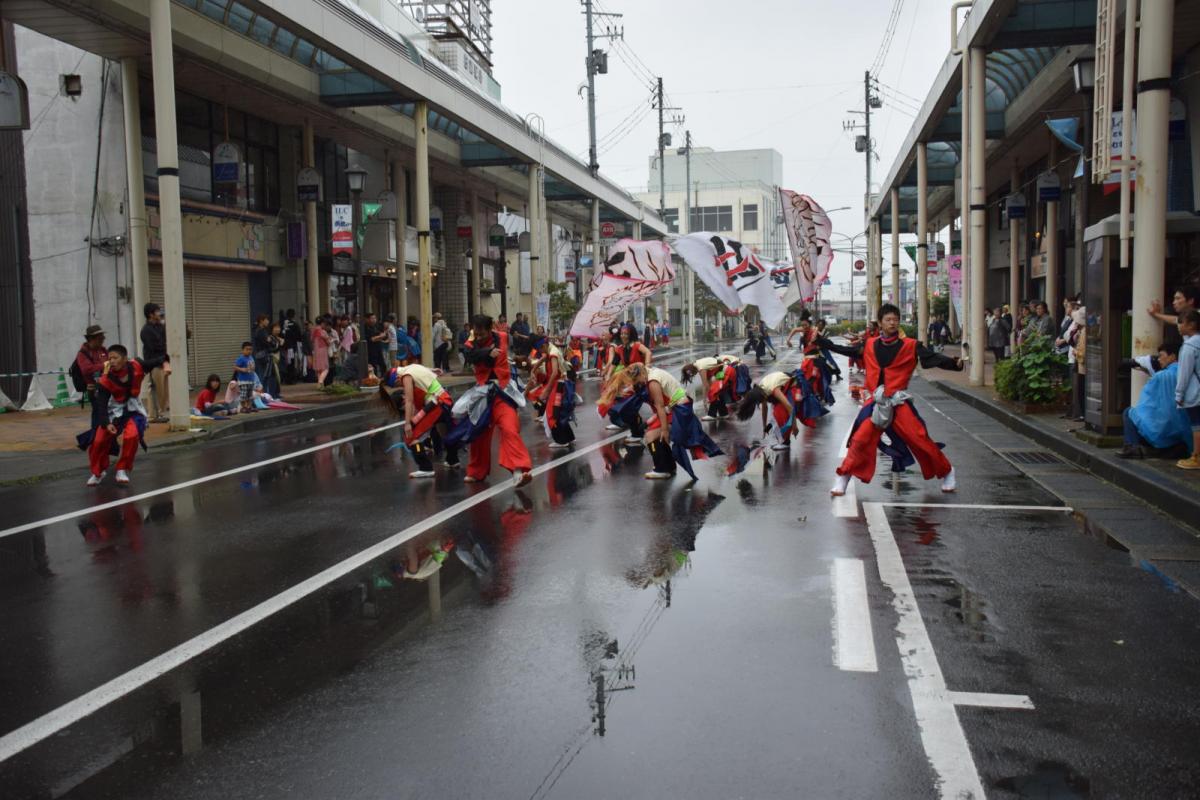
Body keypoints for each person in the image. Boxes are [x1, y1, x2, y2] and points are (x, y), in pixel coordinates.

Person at [819, 304, 964, 496]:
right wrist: (823, 342)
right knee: (860, 439)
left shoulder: (911, 346)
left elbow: (932, 359)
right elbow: (849, 351)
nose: (892, 323)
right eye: (888, 319)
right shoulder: (869, 344)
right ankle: (843, 476)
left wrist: (955, 365)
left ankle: (947, 471)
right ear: (880, 323)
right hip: (876, 404)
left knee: (919, 439)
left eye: (895, 319)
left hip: (898, 402)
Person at [450, 314, 533, 487]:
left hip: (503, 391)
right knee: (479, 433)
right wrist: (488, 351)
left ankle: (518, 471)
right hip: (483, 393)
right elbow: (470, 355)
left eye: (482, 334)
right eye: (476, 333)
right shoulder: (471, 343)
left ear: (490, 329)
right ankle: (476, 471)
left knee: (509, 428)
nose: (479, 337)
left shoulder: (502, 337)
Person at [599, 363, 722, 480]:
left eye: (636, 381)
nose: (636, 384)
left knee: (650, 436)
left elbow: (660, 407)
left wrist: (664, 430)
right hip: (675, 407)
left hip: (679, 410)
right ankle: (669, 466)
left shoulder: (652, 382)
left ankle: (662, 469)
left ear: (641, 375)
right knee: (652, 429)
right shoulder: (646, 372)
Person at [377, 363, 460, 477]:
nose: (401, 386)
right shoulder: (413, 367)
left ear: (396, 377)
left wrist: (407, 424)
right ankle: (453, 460)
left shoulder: (406, 376)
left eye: (398, 384)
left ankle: (425, 468)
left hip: (435, 405)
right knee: (444, 433)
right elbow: (426, 370)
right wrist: (433, 370)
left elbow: (409, 401)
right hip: (445, 400)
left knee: (411, 436)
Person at [1117, 342, 1192, 459]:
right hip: (1183, 431)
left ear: (1172, 356)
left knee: (1130, 412)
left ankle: (1131, 447)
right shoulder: (1188, 373)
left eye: (1161, 355)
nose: (1159, 359)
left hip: (1162, 430)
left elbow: (1146, 405)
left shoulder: (1160, 376)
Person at [86, 345, 147, 487]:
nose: (112, 361)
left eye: (115, 358)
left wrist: (165, 362)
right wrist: (107, 423)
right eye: (110, 358)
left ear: (125, 359)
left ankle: (122, 469)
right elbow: (101, 404)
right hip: (113, 413)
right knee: (98, 441)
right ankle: (98, 472)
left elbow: (153, 361)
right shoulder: (106, 379)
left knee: (131, 435)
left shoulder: (136, 367)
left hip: (133, 410)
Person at [735, 367, 828, 451]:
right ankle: (783, 438)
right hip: (784, 385)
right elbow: (765, 408)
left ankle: (785, 442)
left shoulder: (774, 390)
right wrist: (764, 427)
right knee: (777, 412)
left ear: (761, 396)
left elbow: (790, 408)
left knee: (780, 412)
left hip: (794, 386)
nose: (762, 402)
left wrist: (795, 426)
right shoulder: (760, 389)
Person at [1174, 309, 1200, 470]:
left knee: (1196, 424)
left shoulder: (1189, 347)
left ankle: (1196, 456)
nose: (1178, 326)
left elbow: (1184, 373)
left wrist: (1179, 394)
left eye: (1181, 322)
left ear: (1191, 324)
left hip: (1194, 392)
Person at [74, 324, 110, 433]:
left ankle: (105, 439)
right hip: (93, 389)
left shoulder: (103, 350)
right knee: (98, 413)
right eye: (100, 337)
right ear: (91, 339)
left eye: (103, 337)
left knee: (105, 413)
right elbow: (87, 369)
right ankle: (95, 438)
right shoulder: (83, 353)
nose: (103, 339)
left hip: (106, 386)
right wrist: (105, 365)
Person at [139, 302, 171, 422]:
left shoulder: (159, 327)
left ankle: (161, 413)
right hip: (153, 363)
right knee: (154, 389)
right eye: (157, 311)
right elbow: (155, 347)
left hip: (162, 362)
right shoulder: (146, 330)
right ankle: (153, 415)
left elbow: (165, 341)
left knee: (163, 390)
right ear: (150, 314)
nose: (160, 313)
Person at [235, 341, 258, 413]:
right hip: (243, 381)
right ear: (242, 350)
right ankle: (243, 407)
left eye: (250, 349)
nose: (249, 351)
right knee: (243, 395)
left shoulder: (251, 357)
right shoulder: (241, 358)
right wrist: (242, 369)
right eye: (247, 349)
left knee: (250, 395)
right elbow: (235, 367)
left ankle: (249, 407)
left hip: (251, 380)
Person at [312, 316, 333, 385]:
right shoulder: (323, 331)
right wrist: (330, 340)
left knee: (319, 369)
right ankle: (320, 382)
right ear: (322, 323)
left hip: (316, 350)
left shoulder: (313, 331)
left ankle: (321, 384)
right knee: (325, 368)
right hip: (323, 351)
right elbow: (328, 342)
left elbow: (311, 340)